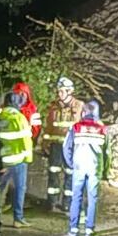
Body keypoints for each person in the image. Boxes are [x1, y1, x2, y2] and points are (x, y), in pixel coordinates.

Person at [62, 99, 107, 236]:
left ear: (84, 112)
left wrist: (71, 163)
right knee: (93, 198)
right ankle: (89, 228)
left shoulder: (76, 127)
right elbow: (107, 152)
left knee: (76, 197)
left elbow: (66, 147)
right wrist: (104, 169)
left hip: (79, 166)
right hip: (95, 167)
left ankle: (73, 228)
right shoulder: (102, 129)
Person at [42, 76, 82, 212]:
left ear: (70, 91)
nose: (59, 94)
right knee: (53, 172)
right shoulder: (53, 107)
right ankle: (52, 202)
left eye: (62, 91)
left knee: (70, 174)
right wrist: (45, 143)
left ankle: (67, 203)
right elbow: (48, 126)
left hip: (71, 147)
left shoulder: (79, 106)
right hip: (56, 146)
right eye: (58, 91)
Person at [0, 91, 34, 227]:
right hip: (18, 160)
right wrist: (28, 158)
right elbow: (26, 141)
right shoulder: (19, 118)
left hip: (2, 160)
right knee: (20, 188)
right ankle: (18, 219)